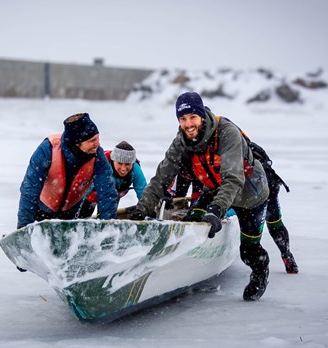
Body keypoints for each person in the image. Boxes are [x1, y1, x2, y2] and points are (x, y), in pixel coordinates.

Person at [129, 91, 272, 301]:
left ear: (202, 116)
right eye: (183, 119)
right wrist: (142, 210)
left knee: (249, 251)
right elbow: (161, 178)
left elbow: (233, 179)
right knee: (192, 220)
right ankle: (189, 262)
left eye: (192, 117)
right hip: (215, 189)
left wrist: (216, 210)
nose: (188, 124)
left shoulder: (227, 133)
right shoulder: (181, 141)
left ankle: (260, 272)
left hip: (250, 195)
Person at [165, 145, 299, 274]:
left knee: (273, 220)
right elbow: (187, 194)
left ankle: (286, 255)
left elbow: (215, 193)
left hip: (260, 184)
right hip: (235, 184)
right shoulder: (191, 162)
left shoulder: (220, 158)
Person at [17, 113, 119, 230]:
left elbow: (107, 192)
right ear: (77, 143)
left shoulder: (97, 156)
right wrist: (23, 228)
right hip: (42, 211)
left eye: (98, 138)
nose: (98, 144)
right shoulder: (47, 149)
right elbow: (29, 190)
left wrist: (107, 227)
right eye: (92, 140)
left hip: (70, 212)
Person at [79, 141, 147, 218]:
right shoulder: (101, 164)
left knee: (109, 215)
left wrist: (145, 211)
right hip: (91, 195)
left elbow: (143, 193)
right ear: (113, 160)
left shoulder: (135, 170)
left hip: (115, 194)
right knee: (83, 214)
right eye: (120, 163)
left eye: (127, 164)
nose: (123, 169)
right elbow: (83, 191)